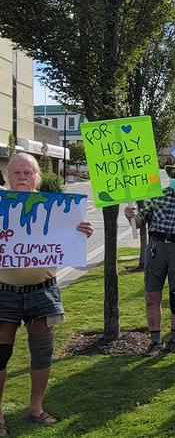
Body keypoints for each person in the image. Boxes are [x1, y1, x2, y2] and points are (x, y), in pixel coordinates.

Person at [0, 154, 93, 431]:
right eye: (16, 172)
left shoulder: (56, 209)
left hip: (43, 291)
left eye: (27, 172)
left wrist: (81, 231)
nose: (22, 177)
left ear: (37, 176)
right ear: (7, 176)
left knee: (42, 353)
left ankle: (36, 408)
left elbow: (68, 240)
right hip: (4, 292)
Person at [126, 159, 175, 355]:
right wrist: (130, 216)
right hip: (157, 248)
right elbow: (140, 220)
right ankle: (155, 341)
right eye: (174, 175)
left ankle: (174, 340)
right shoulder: (157, 194)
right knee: (151, 296)